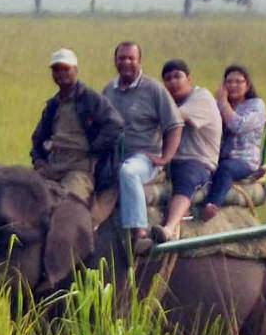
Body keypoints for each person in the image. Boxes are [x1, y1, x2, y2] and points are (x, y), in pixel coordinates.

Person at [97, 39, 181, 256]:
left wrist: (165, 158)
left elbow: (175, 125)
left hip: (143, 158)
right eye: (121, 58)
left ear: (139, 61)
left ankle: (140, 233)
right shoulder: (109, 90)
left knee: (128, 172)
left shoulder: (154, 90)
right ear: (115, 61)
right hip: (113, 157)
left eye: (131, 58)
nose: (126, 62)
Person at [27, 47, 116, 203]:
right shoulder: (53, 105)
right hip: (53, 165)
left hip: (79, 168)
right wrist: (39, 161)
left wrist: (93, 149)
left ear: (75, 70)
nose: (61, 74)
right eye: (56, 69)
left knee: (67, 204)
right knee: (25, 197)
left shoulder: (90, 98)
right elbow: (38, 138)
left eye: (66, 69)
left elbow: (114, 125)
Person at [158, 59, 220, 240]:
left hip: (197, 161)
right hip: (170, 161)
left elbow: (176, 119)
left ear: (189, 79)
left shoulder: (201, 97)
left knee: (186, 180)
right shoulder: (167, 104)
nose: (173, 82)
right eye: (168, 79)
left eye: (178, 76)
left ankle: (169, 228)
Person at [197, 65, 266, 222]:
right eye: (229, 82)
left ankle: (212, 204)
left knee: (226, 169)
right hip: (217, 157)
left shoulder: (256, 105)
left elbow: (237, 126)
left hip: (244, 160)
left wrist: (223, 102)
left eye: (238, 82)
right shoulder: (216, 105)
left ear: (247, 85)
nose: (233, 86)